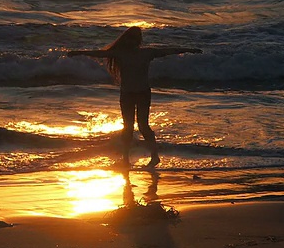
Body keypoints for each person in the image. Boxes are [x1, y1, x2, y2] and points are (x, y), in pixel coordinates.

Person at [67, 26, 202, 168]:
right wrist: (79, 52)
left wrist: (189, 50)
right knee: (128, 127)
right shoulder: (120, 53)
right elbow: (99, 54)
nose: (132, 41)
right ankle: (125, 159)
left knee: (143, 126)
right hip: (127, 94)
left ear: (138, 41)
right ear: (126, 39)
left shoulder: (147, 53)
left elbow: (168, 51)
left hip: (143, 93)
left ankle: (154, 157)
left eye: (135, 39)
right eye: (130, 38)